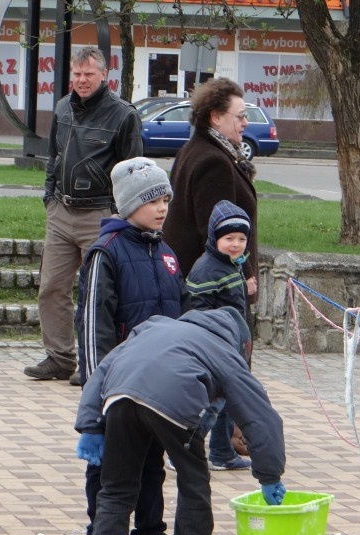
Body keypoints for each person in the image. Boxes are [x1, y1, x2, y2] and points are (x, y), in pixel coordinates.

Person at [74, 308, 286, 535]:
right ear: (241, 343)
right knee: (193, 481)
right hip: (174, 402)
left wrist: (91, 425)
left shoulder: (152, 326)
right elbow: (260, 416)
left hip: (119, 397)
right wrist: (269, 475)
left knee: (116, 487)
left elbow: (101, 371)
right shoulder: (223, 350)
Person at [75, 157, 190, 535]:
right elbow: (93, 327)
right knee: (107, 466)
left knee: (151, 462)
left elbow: (180, 316)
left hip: (157, 385)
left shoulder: (167, 253)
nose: (162, 207)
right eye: (151, 199)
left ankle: (149, 533)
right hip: (117, 384)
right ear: (127, 205)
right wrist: (97, 390)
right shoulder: (106, 253)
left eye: (165, 199)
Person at [24, 46, 142, 385]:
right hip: (61, 211)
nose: (81, 80)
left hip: (100, 215)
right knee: (51, 288)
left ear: (104, 75)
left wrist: (120, 217)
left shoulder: (123, 115)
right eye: (76, 74)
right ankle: (60, 358)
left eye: (88, 74)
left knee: (100, 292)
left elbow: (131, 171)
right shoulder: (62, 107)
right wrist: (50, 198)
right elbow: (53, 157)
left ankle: (98, 362)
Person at [164, 76, 259, 462]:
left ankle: (221, 449)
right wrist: (245, 272)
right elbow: (220, 231)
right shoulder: (212, 161)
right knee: (221, 366)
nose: (245, 123)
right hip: (214, 286)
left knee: (225, 365)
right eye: (240, 115)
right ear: (216, 117)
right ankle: (188, 445)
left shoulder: (202, 150)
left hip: (205, 282)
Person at [185, 200, 253, 471]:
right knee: (212, 404)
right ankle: (186, 447)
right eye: (229, 238)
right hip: (215, 348)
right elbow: (199, 310)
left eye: (241, 238)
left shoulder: (230, 265)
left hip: (232, 346)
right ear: (215, 238)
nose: (236, 244)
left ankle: (222, 452)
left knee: (229, 402)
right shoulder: (207, 270)